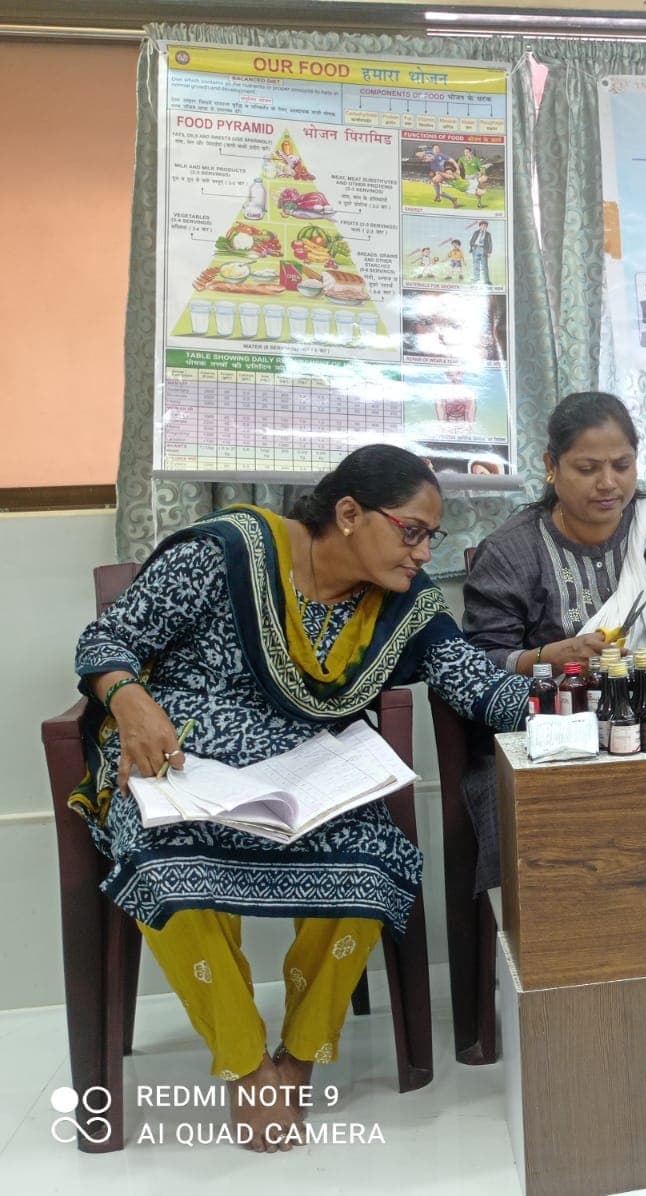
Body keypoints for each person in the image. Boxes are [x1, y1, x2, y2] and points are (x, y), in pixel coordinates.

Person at [72, 445, 532, 1151]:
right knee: (162, 865)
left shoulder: (405, 605)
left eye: (431, 537)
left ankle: (299, 1056)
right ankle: (247, 1066)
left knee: (376, 860)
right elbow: (107, 639)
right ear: (348, 513)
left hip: (306, 777)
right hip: (184, 760)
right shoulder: (227, 553)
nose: (423, 553)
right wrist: (130, 700)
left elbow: (479, 686)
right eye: (411, 531)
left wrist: (584, 694)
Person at [462, 392, 646, 890]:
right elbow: (478, 662)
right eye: (587, 468)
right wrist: (545, 657)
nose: (609, 483)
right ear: (551, 467)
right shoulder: (512, 551)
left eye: (622, 465)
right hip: (552, 741)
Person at [468, 221, 493, 286]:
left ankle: (487, 281)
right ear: (480, 226)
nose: (483, 227)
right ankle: (476, 279)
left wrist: (489, 252)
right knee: (476, 265)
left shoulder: (488, 234)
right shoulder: (476, 232)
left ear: (486, 227)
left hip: (483, 249)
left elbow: (490, 243)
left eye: (485, 226)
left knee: (484, 265)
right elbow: (471, 241)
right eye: (482, 225)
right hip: (475, 249)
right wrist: (474, 245)